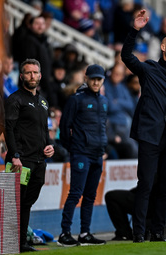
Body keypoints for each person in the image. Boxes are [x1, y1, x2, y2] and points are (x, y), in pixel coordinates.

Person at [121, 9, 166, 243]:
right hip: (150, 136)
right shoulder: (149, 69)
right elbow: (126, 57)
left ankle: (158, 233)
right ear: (163, 48)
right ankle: (139, 233)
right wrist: (135, 30)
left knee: (165, 188)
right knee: (146, 185)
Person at [4, 59, 55, 252]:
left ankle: (21, 242)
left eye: (35, 72)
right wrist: (15, 155)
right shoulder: (15, 100)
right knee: (15, 202)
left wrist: (50, 146)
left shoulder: (43, 101)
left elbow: (44, 130)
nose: (32, 76)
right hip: (21, 160)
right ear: (22, 76)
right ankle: (12, 241)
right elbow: (9, 129)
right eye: (28, 73)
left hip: (39, 161)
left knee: (27, 203)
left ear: (40, 75)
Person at [57, 64, 108, 247]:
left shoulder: (103, 101)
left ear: (103, 80)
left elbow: (102, 127)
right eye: (92, 78)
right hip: (81, 154)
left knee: (90, 195)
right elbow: (64, 128)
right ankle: (65, 233)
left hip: (97, 155)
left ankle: (85, 233)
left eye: (99, 79)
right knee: (75, 193)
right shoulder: (76, 99)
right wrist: (74, 149)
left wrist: (103, 148)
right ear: (86, 78)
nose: (95, 82)